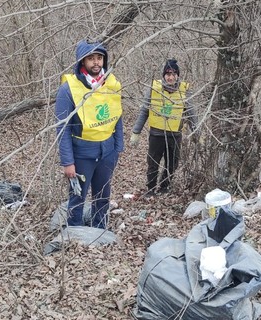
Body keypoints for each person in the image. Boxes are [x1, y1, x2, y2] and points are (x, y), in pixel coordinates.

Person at [55, 39, 123, 229]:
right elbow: (62, 128)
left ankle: (99, 229)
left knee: (102, 195)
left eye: (99, 58)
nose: (96, 62)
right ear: (82, 62)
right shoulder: (68, 89)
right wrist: (67, 162)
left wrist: (118, 148)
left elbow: (117, 116)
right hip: (82, 153)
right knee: (77, 197)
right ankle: (75, 232)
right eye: (91, 58)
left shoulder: (111, 83)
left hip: (107, 152)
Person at [130, 59, 197, 197]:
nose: (170, 77)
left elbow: (191, 113)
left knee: (172, 163)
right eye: (168, 74)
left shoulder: (184, 90)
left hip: (175, 135)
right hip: (156, 134)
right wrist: (136, 132)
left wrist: (197, 133)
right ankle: (151, 189)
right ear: (163, 75)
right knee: (153, 164)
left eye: (173, 74)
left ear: (177, 75)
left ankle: (164, 186)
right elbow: (144, 110)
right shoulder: (154, 88)